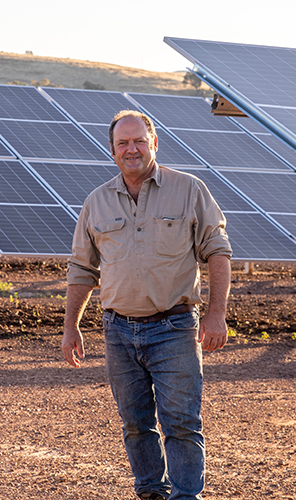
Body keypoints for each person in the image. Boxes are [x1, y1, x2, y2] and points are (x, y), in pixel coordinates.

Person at [61, 110, 232, 500]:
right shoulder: (96, 202)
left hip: (174, 328)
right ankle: (151, 491)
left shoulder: (189, 189)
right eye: (123, 143)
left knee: (181, 422)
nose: (131, 149)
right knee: (135, 423)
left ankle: (186, 497)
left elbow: (218, 251)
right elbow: (81, 268)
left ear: (154, 143)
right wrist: (72, 326)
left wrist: (217, 313)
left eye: (139, 141)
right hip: (118, 330)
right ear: (112, 151)